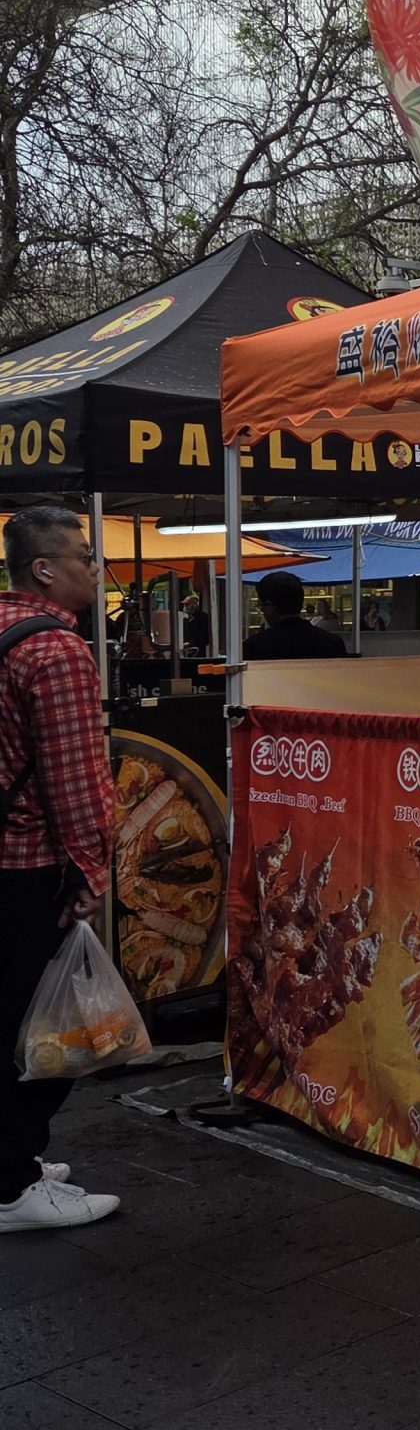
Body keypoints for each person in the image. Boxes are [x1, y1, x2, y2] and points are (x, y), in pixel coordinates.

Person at [0, 508, 121, 1232]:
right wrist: (89, 875)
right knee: (37, 1029)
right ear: (44, 568)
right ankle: (12, 1186)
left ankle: (11, 1160)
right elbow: (75, 783)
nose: (95, 569)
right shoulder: (57, 650)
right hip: (30, 866)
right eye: (84, 556)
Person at [245, 570, 348, 661]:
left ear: (270, 606)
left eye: (261, 605)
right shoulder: (333, 643)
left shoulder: (255, 647)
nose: (262, 610)